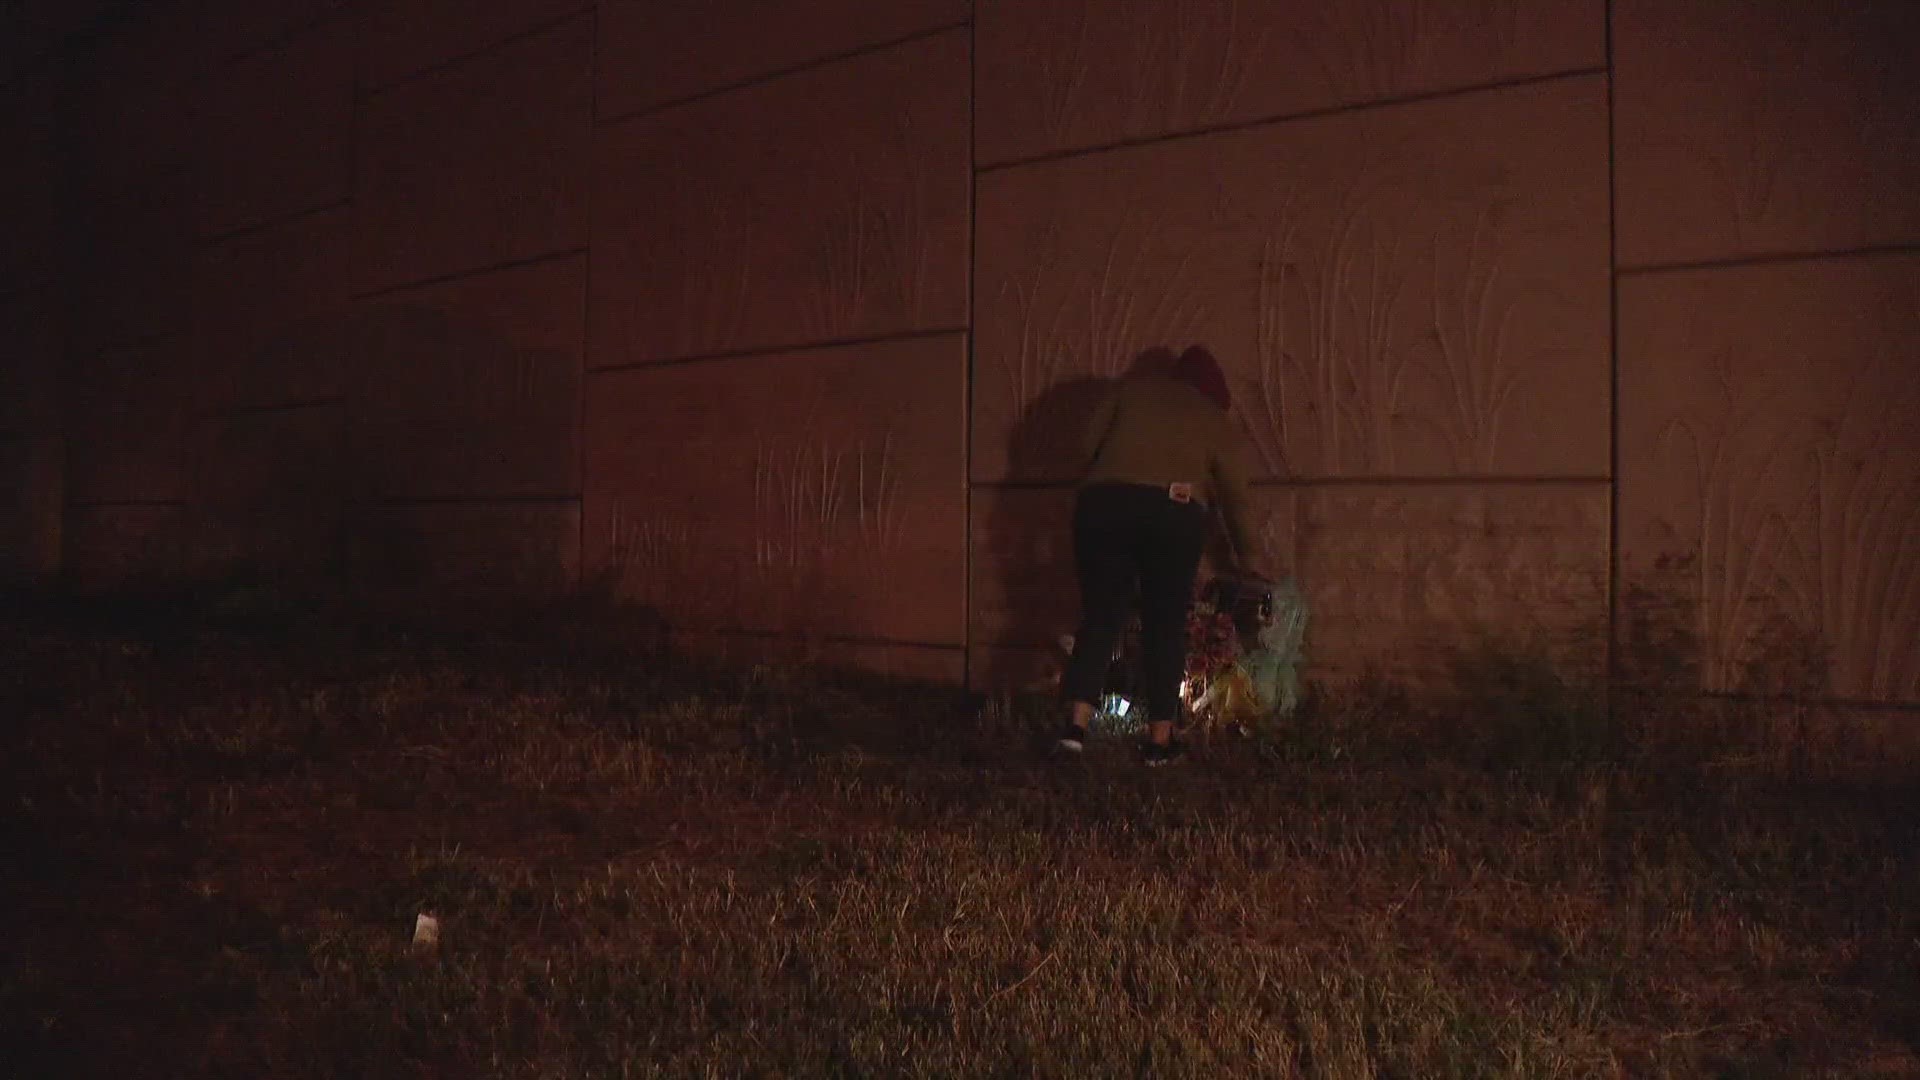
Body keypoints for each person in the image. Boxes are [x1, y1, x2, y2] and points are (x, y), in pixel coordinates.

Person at [1056, 345, 1257, 765]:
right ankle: (1160, 742)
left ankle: (1074, 730)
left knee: (1101, 616)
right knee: (1163, 623)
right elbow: (1237, 500)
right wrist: (1249, 559)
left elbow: (1085, 444)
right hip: (1173, 512)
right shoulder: (1212, 418)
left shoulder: (1130, 392)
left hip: (1103, 505)